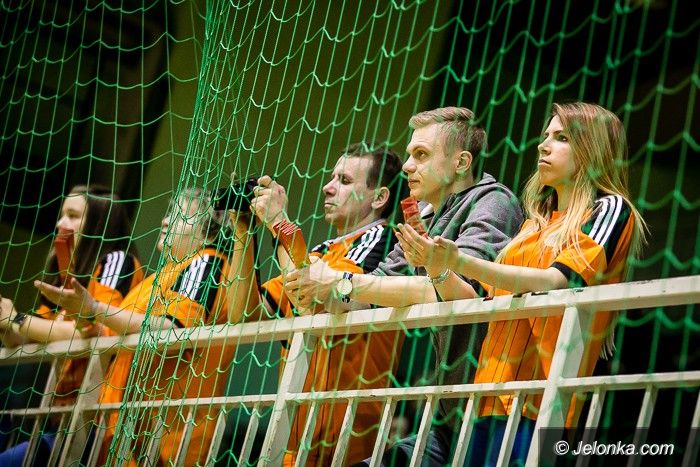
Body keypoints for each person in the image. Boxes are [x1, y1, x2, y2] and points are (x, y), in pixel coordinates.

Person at [397, 102, 647, 465]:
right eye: (546, 136)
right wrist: (437, 268)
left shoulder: (609, 209)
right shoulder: (533, 224)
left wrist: (458, 260)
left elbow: (556, 281)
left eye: (561, 138)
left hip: (542, 402)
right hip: (486, 396)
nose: (543, 145)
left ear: (593, 149)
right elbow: (476, 298)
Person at [284, 107, 524, 465]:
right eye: (410, 154)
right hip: (449, 411)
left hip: (496, 404)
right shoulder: (425, 215)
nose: (408, 166)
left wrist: (341, 282)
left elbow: (457, 290)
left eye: (421, 155)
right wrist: (324, 290)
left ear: (461, 163)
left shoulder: (493, 201)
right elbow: (370, 292)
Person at [227, 142, 407, 466]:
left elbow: (314, 298)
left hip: (347, 440)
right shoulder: (320, 251)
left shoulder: (384, 240)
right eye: (332, 177)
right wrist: (243, 230)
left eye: (344, 180)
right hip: (297, 437)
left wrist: (279, 222)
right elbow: (244, 313)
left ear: (379, 197)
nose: (328, 186)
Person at [34, 187, 236, 466]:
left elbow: (170, 330)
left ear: (208, 232)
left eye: (178, 215)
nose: (165, 221)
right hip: (122, 429)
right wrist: (82, 314)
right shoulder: (154, 280)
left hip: (165, 436)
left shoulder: (207, 262)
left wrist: (93, 308)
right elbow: (108, 334)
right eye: (168, 213)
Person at [0, 185, 143, 466]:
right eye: (62, 214)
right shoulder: (68, 271)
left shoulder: (117, 259)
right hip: (57, 415)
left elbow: (92, 332)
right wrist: (6, 323)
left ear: (98, 224)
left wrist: (17, 320)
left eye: (73, 216)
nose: (60, 224)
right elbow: (29, 335)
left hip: (94, 419)